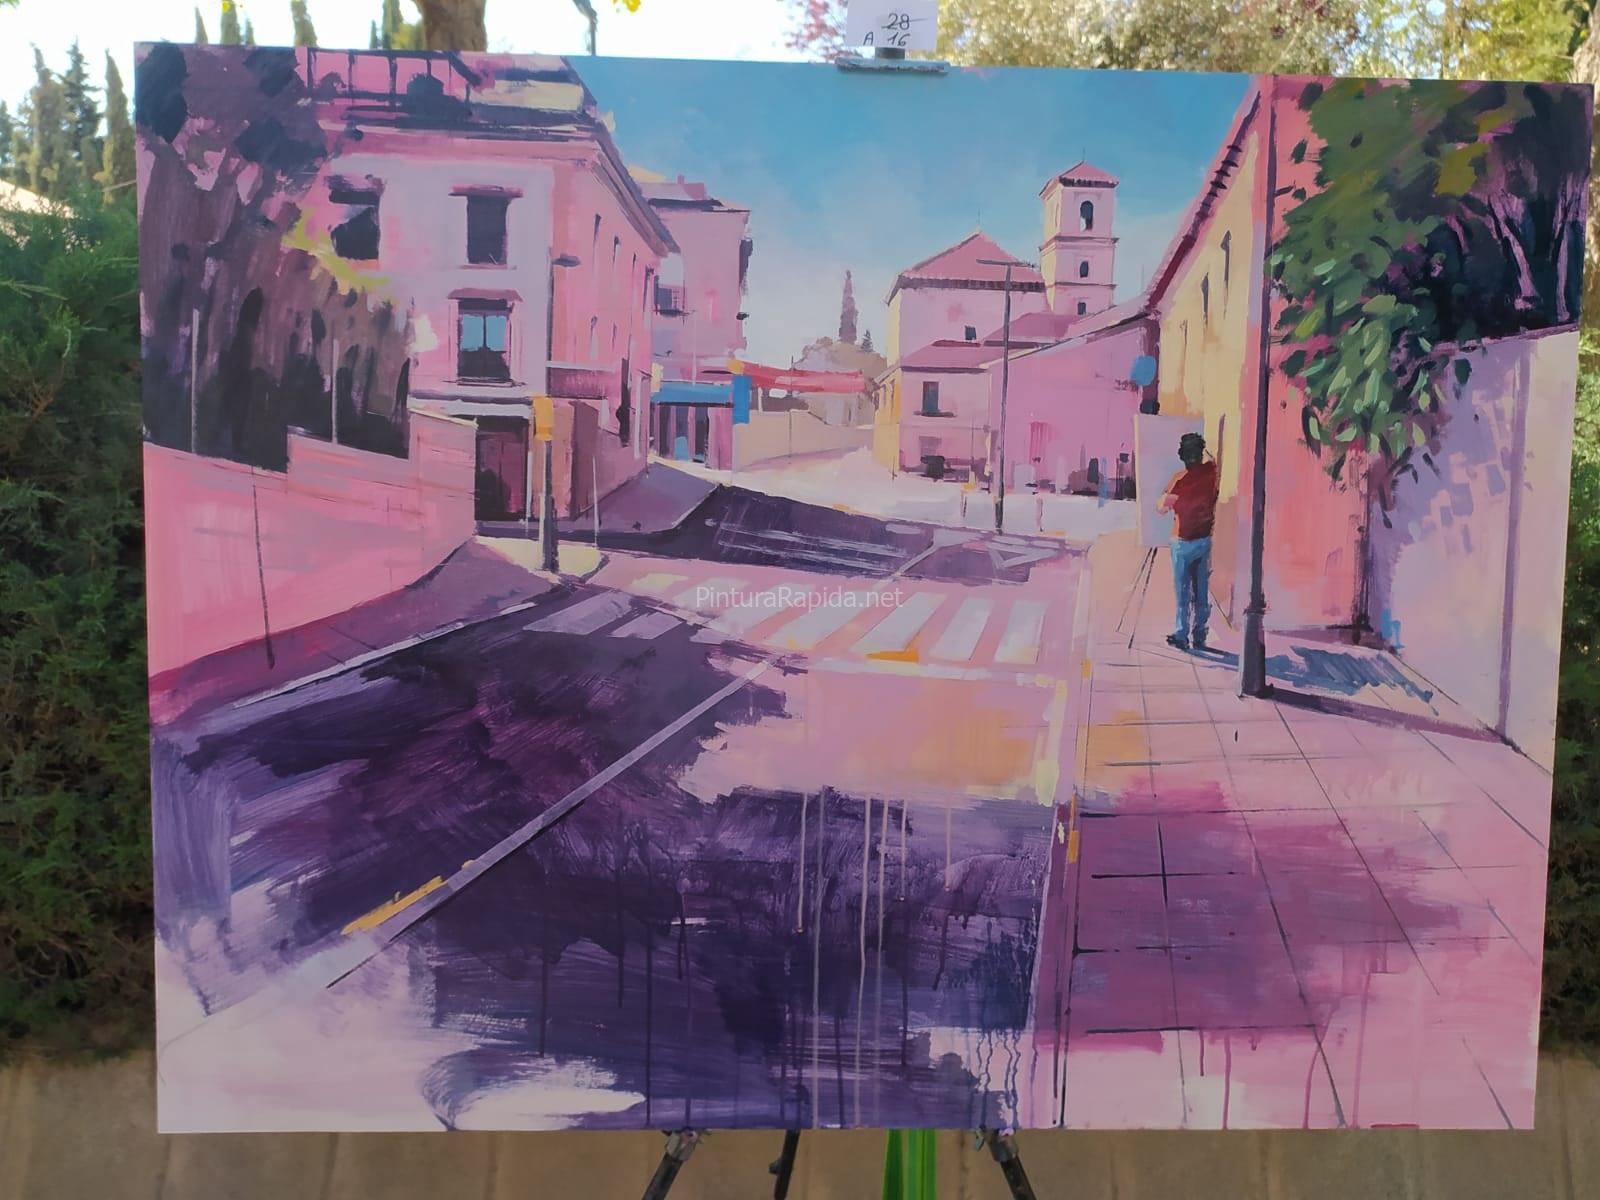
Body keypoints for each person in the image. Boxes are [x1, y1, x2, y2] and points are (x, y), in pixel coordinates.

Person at [1156, 432, 1219, 651]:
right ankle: (1199, 634)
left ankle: (1182, 634)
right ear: (1200, 454)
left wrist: (1164, 497)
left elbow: (1162, 509)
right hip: (1204, 540)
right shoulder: (1212, 472)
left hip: (1182, 541)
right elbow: (1213, 460)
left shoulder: (1179, 480)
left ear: (1183, 456)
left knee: (1183, 592)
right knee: (1201, 591)